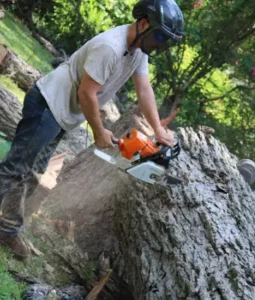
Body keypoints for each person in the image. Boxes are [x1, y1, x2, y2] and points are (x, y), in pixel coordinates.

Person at [0, 0, 184, 260]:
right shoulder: (110, 47)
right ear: (144, 23)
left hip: (62, 113)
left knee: (31, 174)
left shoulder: (138, 51)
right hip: (48, 105)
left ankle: (7, 230)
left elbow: (144, 89)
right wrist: (99, 131)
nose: (160, 43)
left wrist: (158, 130)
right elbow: (86, 93)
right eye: (160, 36)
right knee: (15, 169)